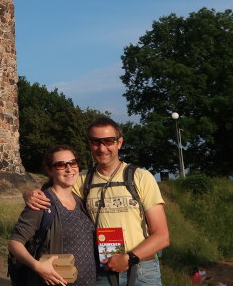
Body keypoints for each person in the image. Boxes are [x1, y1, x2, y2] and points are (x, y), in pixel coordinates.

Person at [23, 117, 170, 286]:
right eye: (95, 142)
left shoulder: (141, 177)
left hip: (142, 269)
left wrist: (129, 258)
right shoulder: (82, 180)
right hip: (103, 270)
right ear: (89, 144)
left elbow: (162, 236)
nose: (102, 148)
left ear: (119, 142)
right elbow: (54, 192)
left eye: (108, 141)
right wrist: (27, 194)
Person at [9, 145, 96, 286]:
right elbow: (14, 242)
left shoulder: (80, 200)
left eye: (73, 163)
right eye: (61, 165)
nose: (69, 169)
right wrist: (38, 267)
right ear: (49, 170)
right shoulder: (42, 202)